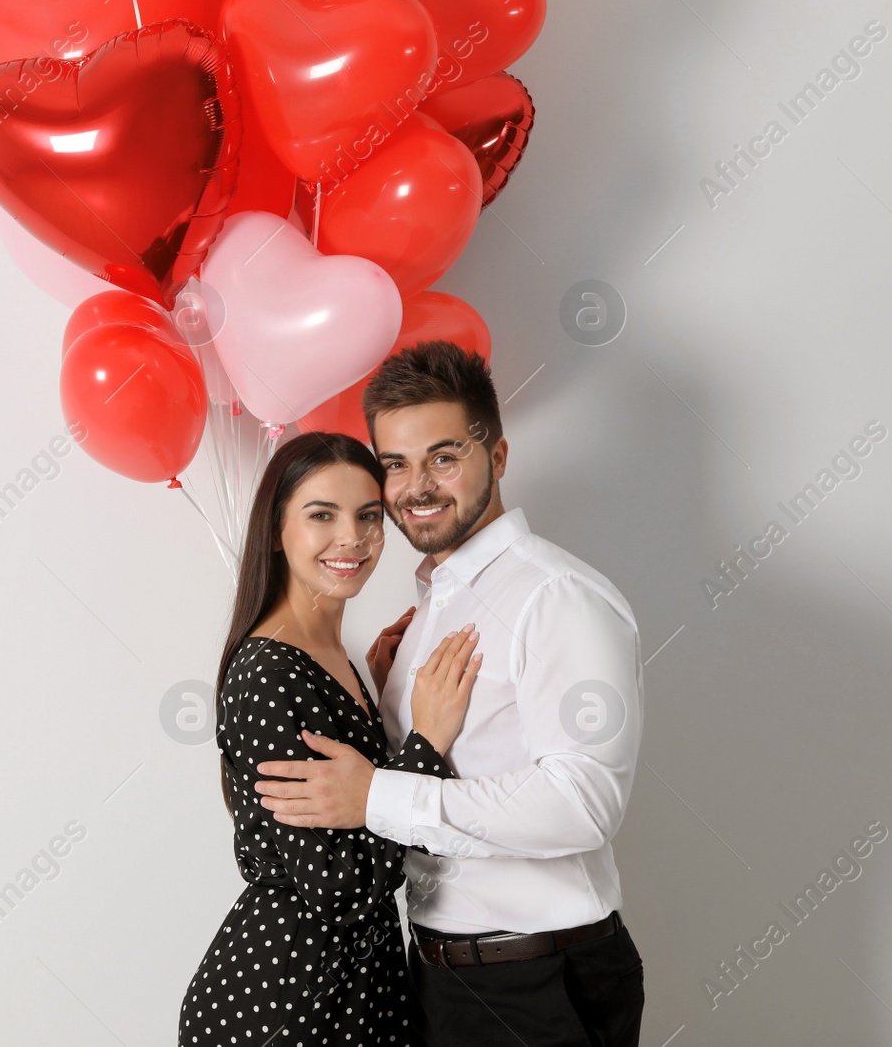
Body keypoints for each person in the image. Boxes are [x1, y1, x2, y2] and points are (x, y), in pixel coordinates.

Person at [252, 342, 647, 1047]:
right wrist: (379, 696)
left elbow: (584, 801)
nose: (417, 486)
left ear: (496, 456)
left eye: (443, 456)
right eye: (395, 464)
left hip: (538, 979)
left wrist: (375, 795)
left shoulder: (555, 597)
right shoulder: (431, 604)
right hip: (435, 979)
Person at [179, 430, 485, 1047]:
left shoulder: (328, 653)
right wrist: (423, 742)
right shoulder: (269, 672)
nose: (353, 539)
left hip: (356, 985)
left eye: (369, 516)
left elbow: (356, 807)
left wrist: (380, 696)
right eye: (323, 515)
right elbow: (338, 885)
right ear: (276, 528)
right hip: (288, 1000)